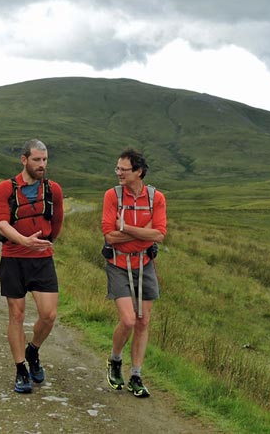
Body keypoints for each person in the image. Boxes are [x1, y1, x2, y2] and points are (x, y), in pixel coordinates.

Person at [0, 139, 64, 393]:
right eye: (37, 160)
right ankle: (21, 369)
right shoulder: (5, 188)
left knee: (49, 315)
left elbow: (57, 220)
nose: (42, 165)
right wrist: (25, 241)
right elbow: (2, 223)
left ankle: (33, 350)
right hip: (13, 257)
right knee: (17, 315)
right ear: (24, 160)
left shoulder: (53, 189)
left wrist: (45, 242)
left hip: (42, 259)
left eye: (45, 160)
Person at [101, 148, 166, 398]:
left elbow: (159, 234)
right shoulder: (112, 196)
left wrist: (125, 227)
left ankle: (136, 375)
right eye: (117, 168)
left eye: (123, 169)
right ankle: (115, 360)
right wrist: (143, 231)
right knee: (128, 320)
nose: (118, 173)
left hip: (145, 264)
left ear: (138, 171)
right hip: (118, 264)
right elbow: (109, 236)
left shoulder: (155, 197)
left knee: (143, 321)